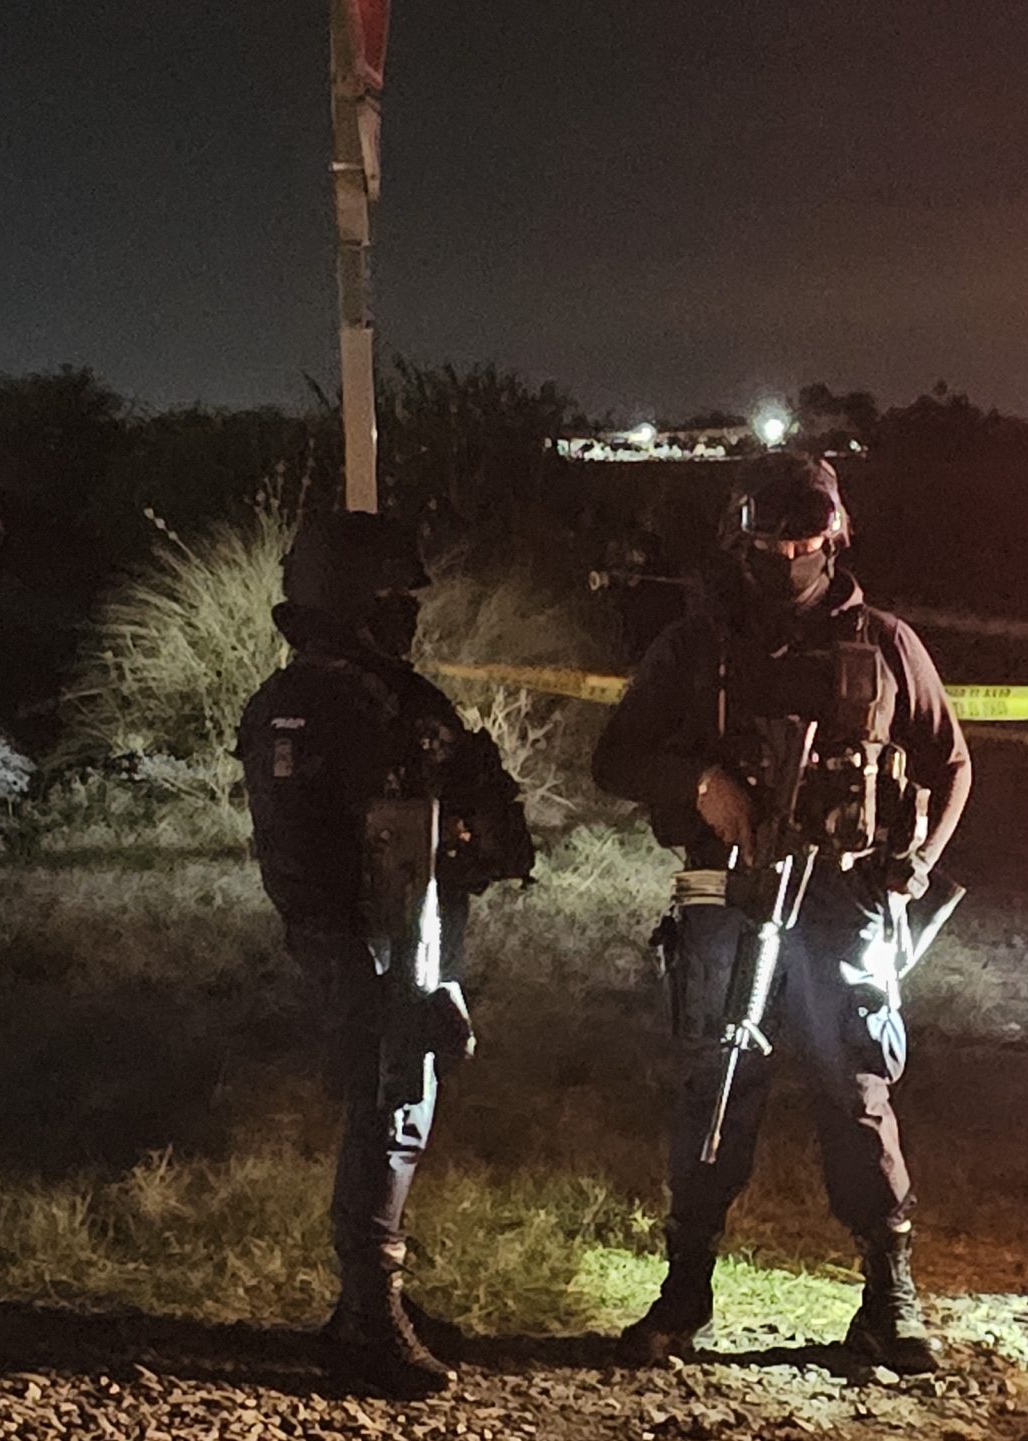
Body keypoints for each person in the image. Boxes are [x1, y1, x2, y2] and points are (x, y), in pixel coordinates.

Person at [593, 451, 972, 1373]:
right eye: (772, 537)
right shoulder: (696, 646)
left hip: (845, 905)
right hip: (728, 898)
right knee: (716, 1087)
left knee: (855, 1090)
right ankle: (685, 1292)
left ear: (835, 536)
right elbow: (614, 758)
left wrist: (916, 862)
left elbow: (952, 763)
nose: (790, 553)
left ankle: (890, 1296)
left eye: (806, 536)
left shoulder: (885, 645)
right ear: (742, 537)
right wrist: (698, 780)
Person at [236, 510, 535, 1397]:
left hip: (345, 935)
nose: (408, 610)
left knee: (392, 1097)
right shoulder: (375, 703)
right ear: (357, 598)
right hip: (394, 939)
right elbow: (447, 826)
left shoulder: (289, 696)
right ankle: (370, 1311)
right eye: (395, 595)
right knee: (392, 1099)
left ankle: (371, 1296)